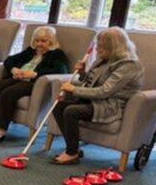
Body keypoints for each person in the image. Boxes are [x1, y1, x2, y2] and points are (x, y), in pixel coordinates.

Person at [50, 26, 144, 165]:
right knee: (58, 106)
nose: (97, 49)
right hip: (93, 101)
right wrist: (83, 72)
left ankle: (71, 154)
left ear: (114, 48)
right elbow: (91, 82)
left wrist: (74, 89)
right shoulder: (103, 60)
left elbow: (104, 91)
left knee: (71, 111)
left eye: (101, 46)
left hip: (110, 105)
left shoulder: (129, 65)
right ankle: (73, 147)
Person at [0, 25, 68, 144]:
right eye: (37, 40)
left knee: (8, 93)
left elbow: (61, 70)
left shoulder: (57, 54)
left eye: (43, 41)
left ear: (51, 41)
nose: (39, 44)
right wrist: (14, 69)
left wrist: (34, 74)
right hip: (18, 78)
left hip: (34, 83)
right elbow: (9, 60)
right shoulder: (30, 51)